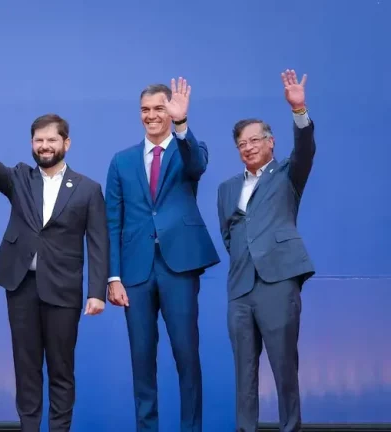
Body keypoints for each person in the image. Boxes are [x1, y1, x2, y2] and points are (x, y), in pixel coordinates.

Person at [0, 77, 108, 432]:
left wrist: (97, 292)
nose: (44, 145)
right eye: (38, 140)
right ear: (32, 144)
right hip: (21, 286)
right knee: (25, 368)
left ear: (66, 143)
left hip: (63, 290)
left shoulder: (88, 189)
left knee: (61, 369)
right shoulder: (20, 178)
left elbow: (98, 243)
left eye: (52, 139)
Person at [104, 78, 220, 432]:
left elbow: (197, 165)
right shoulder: (121, 160)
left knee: (187, 356)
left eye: (159, 109)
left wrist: (183, 124)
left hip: (178, 266)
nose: (152, 116)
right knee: (142, 361)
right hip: (135, 271)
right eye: (146, 110)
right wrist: (113, 276)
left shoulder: (188, 149)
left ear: (170, 111)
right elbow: (112, 221)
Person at [217, 69, 315, 432]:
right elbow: (228, 234)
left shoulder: (288, 173)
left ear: (271, 142)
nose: (248, 147)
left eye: (255, 140)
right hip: (240, 288)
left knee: (284, 367)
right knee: (243, 372)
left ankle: (290, 427)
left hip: (277, 281)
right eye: (242, 144)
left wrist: (299, 110)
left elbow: (305, 148)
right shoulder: (227, 188)